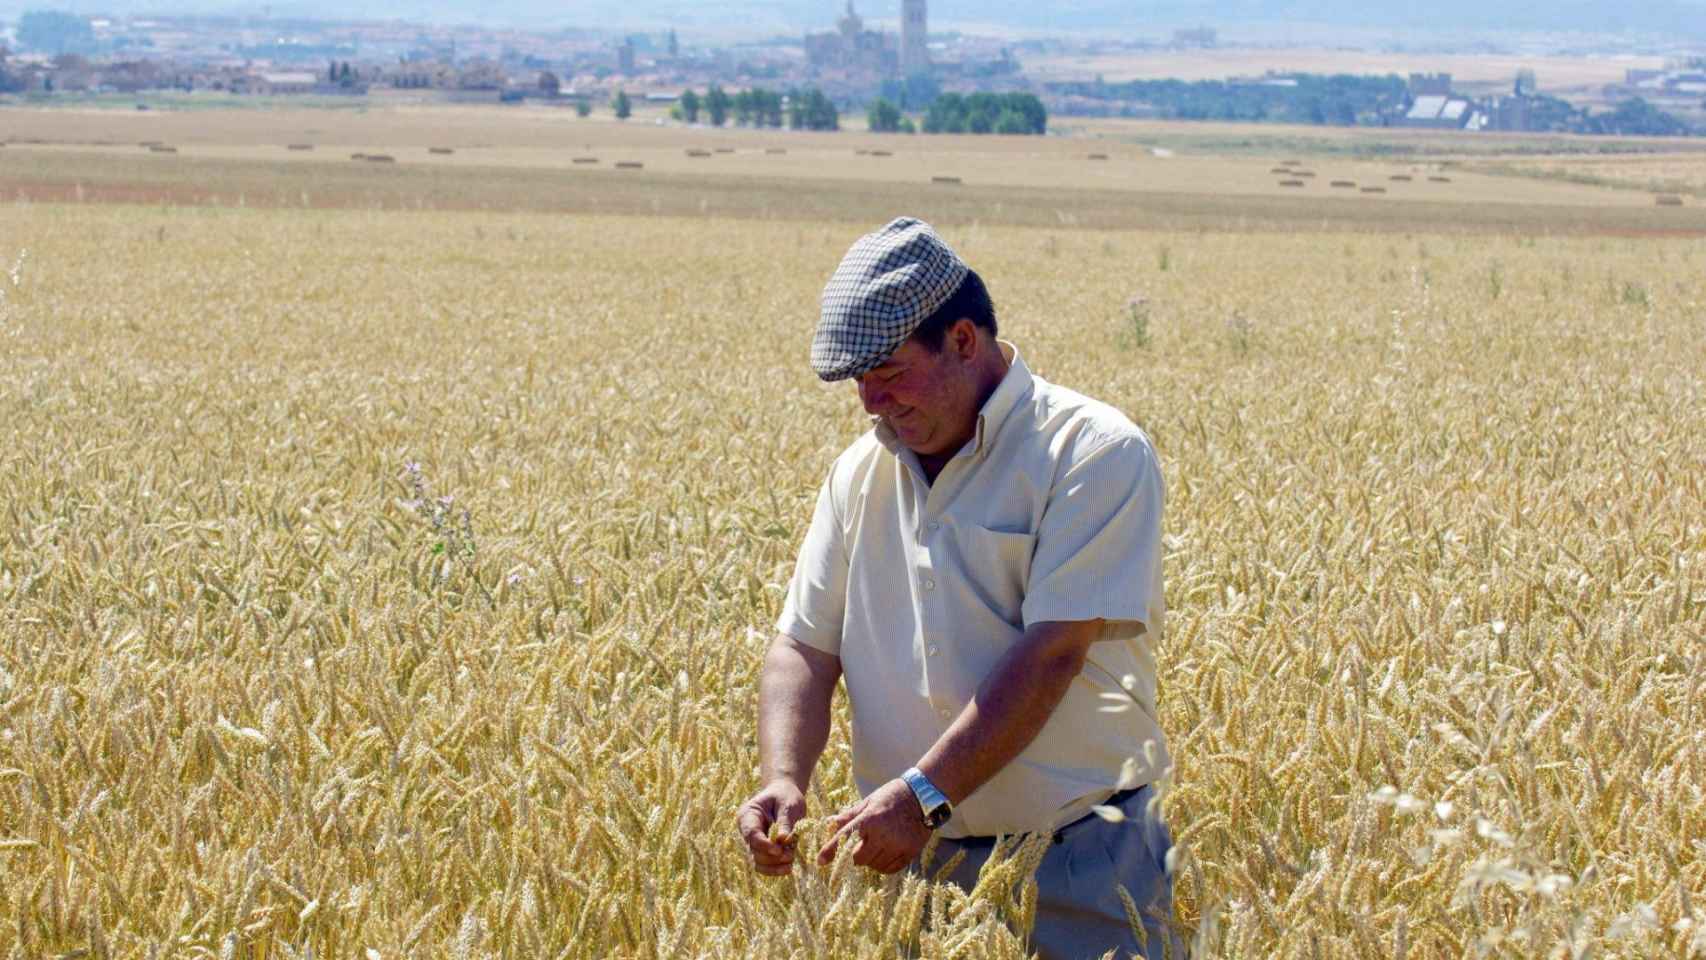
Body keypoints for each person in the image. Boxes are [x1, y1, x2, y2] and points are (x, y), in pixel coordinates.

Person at [737, 217, 1179, 959]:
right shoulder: (860, 473)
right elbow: (803, 646)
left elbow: (1052, 657)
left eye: (890, 371)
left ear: (965, 341)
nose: (872, 401)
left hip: (1081, 869)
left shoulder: (1093, 453)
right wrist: (784, 779)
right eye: (859, 380)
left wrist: (922, 798)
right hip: (913, 869)